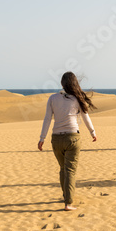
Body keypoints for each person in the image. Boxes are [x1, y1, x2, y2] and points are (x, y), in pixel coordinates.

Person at [38, 72, 97, 211]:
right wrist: (93, 132)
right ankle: (68, 202)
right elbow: (85, 117)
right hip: (72, 138)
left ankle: (66, 196)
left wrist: (42, 138)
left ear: (62, 84)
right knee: (70, 170)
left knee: (63, 168)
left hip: (56, 139)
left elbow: (47, 119)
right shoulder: (77, 98)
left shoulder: (52, 98)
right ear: (75, 84)